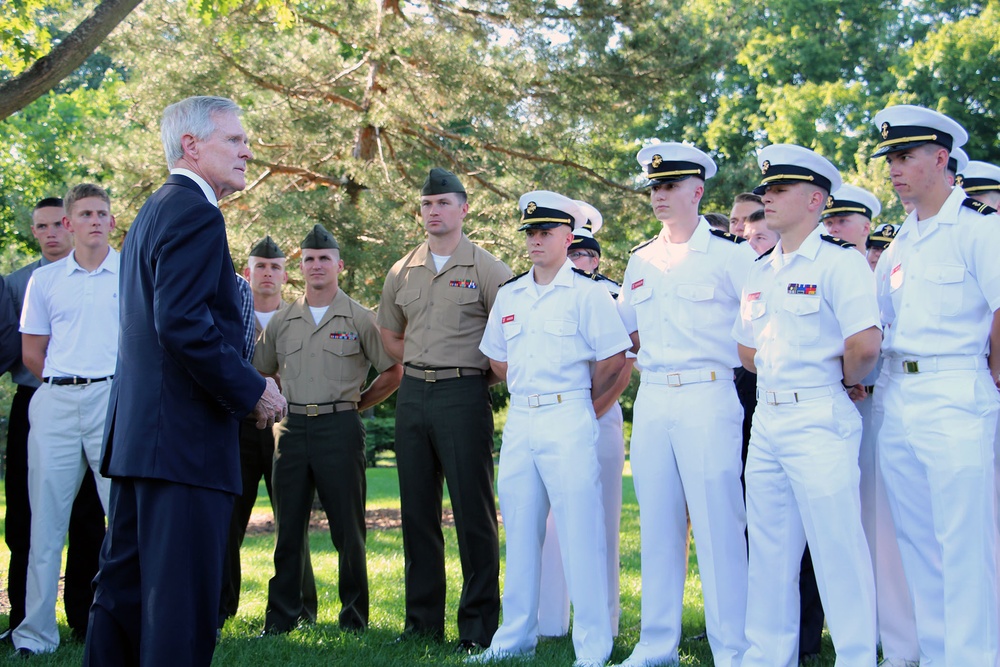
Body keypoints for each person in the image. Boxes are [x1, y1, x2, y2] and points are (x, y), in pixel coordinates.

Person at [83, 95, 287, 667]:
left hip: (142, 442)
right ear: (191, 146)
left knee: (123, 599)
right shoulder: (196, 210)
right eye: (235, 139)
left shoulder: (155, 207)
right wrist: (253, 389)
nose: (248, 149)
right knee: (180, 606)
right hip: (184, 446)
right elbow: (181, 323)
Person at [734, 143, 881, 667]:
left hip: (820, 412)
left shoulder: (841, 262)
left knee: (836, 546)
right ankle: (766, 656)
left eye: (779, 190)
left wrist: (837, 379)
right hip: (770, 415)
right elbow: (746, 350)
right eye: (766, 189)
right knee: (769, 550)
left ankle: (858, 657)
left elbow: (865, 345)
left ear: (816, 199)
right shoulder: (760, 269)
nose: (767, 198)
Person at [475, 190, 630, 667]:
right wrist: (530, 390)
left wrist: (577, 398)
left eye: (545, 232)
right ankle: (513, 639)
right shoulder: (511, 293)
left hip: (568, 415)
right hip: (522, 418)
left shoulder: (588, 293)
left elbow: (613, 358)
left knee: (581, 532)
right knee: (520, 531)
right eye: (530, 233)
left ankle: (592, 645)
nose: (536, 241)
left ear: (569, 237)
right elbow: (498, 358)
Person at [871, 104, 1000, 665]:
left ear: (941, 158)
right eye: (890, 159)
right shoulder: (900, 242)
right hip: (899, 395)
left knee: (966, 542)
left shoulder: (979, 228)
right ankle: (940, 653)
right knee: (919, 541)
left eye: (905, 157)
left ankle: (976, 657)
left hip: (955, 391)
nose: (894, 169)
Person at [616, 143, 753, 667]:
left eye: (669, 185)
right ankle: (656, 645)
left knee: (720, 524)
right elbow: (625, 326)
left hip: (709, 392)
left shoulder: (731, 254)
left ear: (698, 191)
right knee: (658, 524)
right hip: (653, 396)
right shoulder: (640, 258)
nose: (659, 195)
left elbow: (760, 321)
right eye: (654, 187)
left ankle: (734, 649)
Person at [377, 168, 511, 652]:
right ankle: (421, 624)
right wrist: (419, 364)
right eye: (427, 204)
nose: (434, 212)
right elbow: (390, 335)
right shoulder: (402, 270)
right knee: (416, 512)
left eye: (443, 203)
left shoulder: (488, 269)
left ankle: (478, 628)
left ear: (463, 209)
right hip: (412, 396)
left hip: (463, 396)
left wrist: (473, 375)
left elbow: (507, 344)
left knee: (473, 514)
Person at [257, 224, 402, 634]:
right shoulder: (284, 319)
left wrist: (357, 404)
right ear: (299, 268)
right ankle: (284, 618)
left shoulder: (359, 317)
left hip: (340, 427)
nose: (316, 265)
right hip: (291, 429)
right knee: (288, 531)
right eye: (308, 259)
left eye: (324, 258)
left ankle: (354, 618)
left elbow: (393, 372)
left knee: (348, 530)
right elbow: (261, 372)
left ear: (339, 264)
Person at [12, 184, 118, 657]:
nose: (95, 220)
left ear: (112, 222)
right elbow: (33, 353)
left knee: (123, 519)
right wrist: (69, 381)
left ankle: (123, 623)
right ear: (68, 224)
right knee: (45, 524)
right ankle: (34, 637)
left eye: (102, 213)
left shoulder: (132, 276)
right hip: (54, 400)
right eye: (85, 214)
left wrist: (100, 385)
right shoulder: (46, 281)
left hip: (113, 400)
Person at [537, 201, 632, 639]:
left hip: (600, 417)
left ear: (597, 257)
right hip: (555, 418)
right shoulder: (542, 292)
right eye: (576, 254)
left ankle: (604, 622)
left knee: (603, 521)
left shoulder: (612, 294)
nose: (581, 261)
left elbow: (622, 365)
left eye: (589, 254)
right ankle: (550, 621)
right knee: (552, 525)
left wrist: (588, 410)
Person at [218, 236, 318, 630]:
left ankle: (301, 608)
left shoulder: (297, 318)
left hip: (285, 428)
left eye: (275, 267)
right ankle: (222, 607)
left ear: (285, 275)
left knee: (291, 521)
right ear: (247, 272)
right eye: (260, 266)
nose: (267, 273)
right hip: (239, 427)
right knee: (228, 523)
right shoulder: (230, 311)